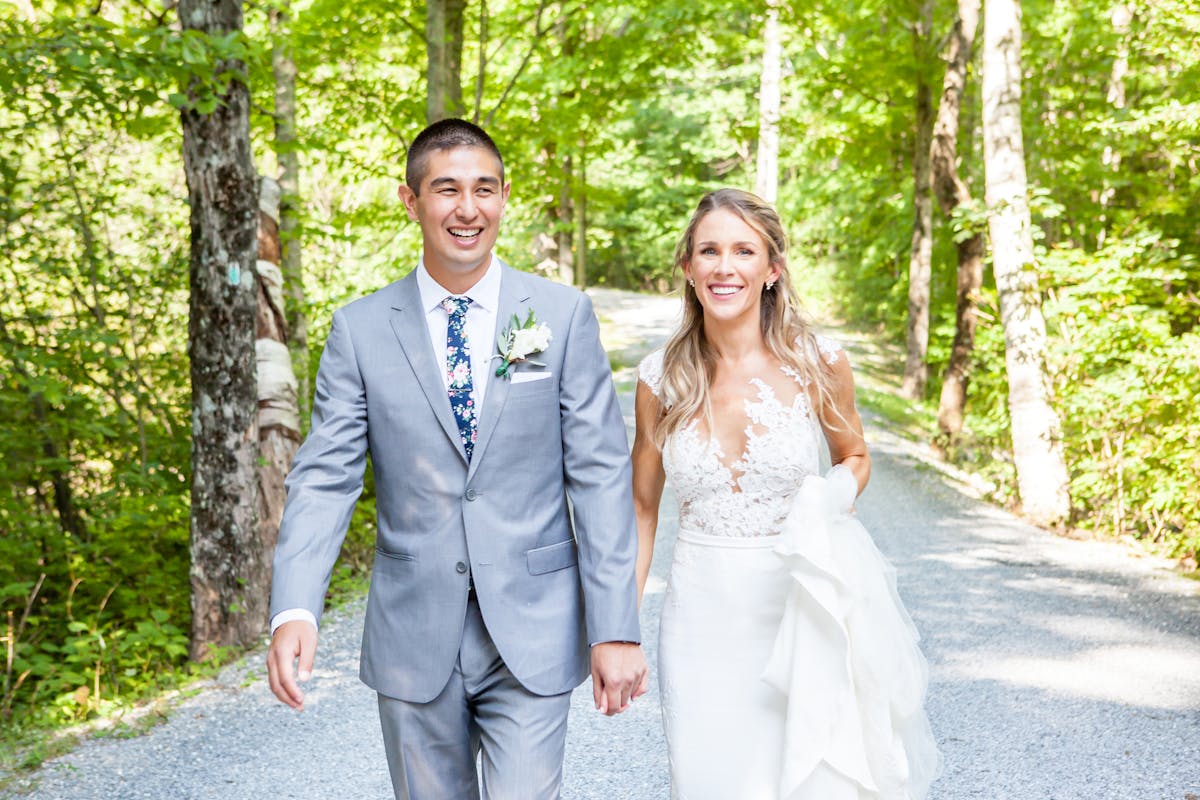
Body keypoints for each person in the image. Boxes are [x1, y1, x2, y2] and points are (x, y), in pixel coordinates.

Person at [266, 118, 648, 800]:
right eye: (446, 190)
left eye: (484, 189)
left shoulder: (559, 317)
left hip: (533, 627)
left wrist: (615, 626)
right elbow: (326, 477)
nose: (467, 209)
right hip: (414, 632)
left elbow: (599, 474)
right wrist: (295, 607)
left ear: (504, 196)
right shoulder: (360, 330)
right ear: (411, 202)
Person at [631, 188, 939, 799]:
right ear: (688, 268)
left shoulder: (819, 362)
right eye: (709, 251)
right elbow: (640, 510)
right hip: (699, 617)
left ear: (771, 269)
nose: (725, 267)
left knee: (809, 778)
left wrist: (828, 498)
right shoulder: (659, 378)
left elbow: (855, 457)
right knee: (707, 779)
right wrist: (621, 628)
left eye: (744, 251)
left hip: (801, 601)